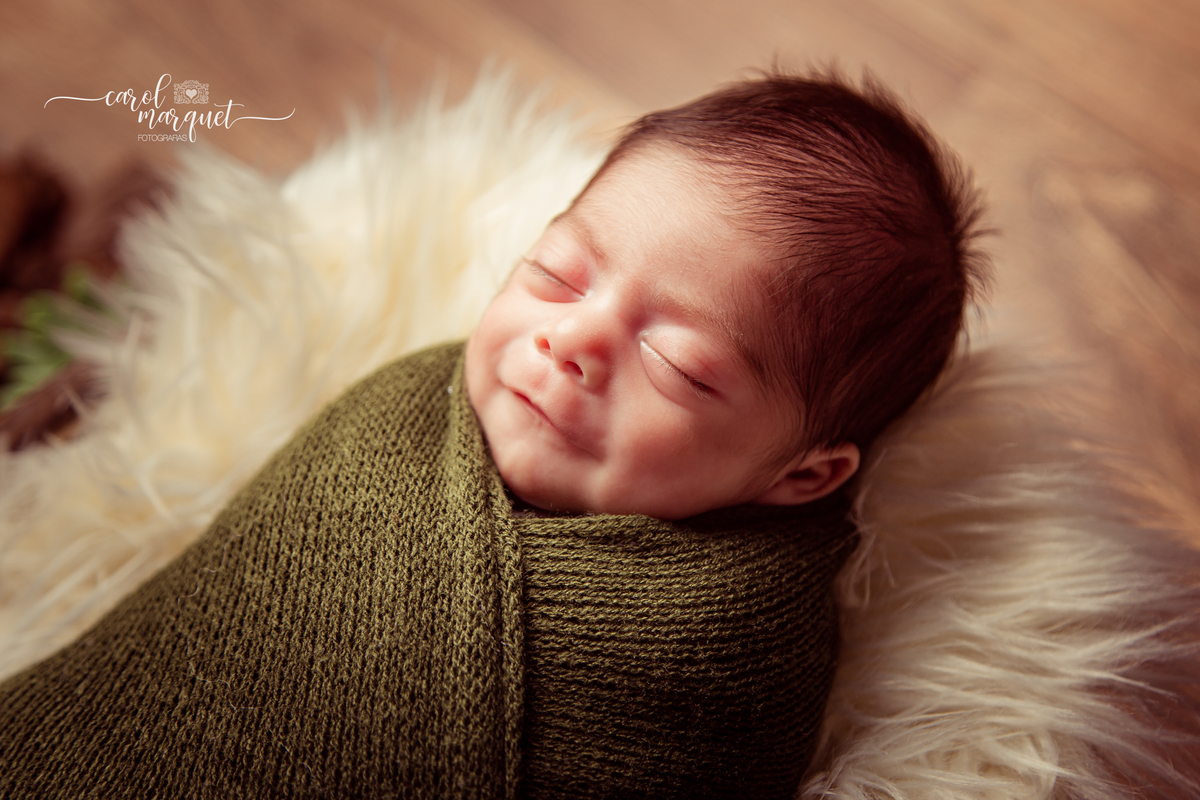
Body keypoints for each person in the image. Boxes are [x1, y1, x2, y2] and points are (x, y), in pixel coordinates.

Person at [0, 70, 985, 799]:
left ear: (803, 474)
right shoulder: (402, 412)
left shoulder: (729, 654)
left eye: (679, 364)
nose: (573, 339)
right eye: (557, 273)